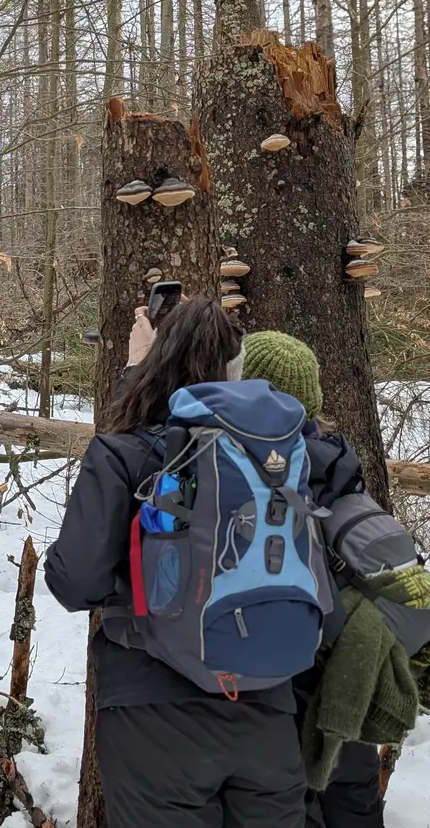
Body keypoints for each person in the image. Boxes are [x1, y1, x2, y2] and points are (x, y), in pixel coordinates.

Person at [45, 297, 309, 828]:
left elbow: (76, 583)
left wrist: (133, 377)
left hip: (154, 713)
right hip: (267, 703)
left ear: (153, 365)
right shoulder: (281, 456)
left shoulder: (122, 454)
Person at [241, 330, 385, 828]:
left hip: (285, 696)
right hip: (351, 685)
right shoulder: (340, 467)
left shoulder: (252, 476)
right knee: (354, 803)